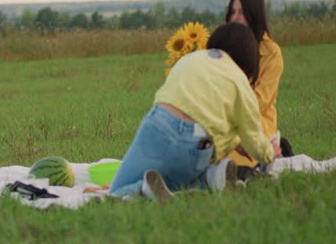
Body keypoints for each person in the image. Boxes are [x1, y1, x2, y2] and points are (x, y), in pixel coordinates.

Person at [108, 23, 274, 200]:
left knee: (118, 190)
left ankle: (143, 189)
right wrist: (269, 153)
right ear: (249, 59)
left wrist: (235, 142)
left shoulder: (191, 58)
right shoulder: (240, 82)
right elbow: (252, 138)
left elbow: (190, 109)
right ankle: (213, 178)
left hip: (159, 125)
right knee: (179, 180)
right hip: (198, 144)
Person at [225, 0, 288, 175]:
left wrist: (225, 106)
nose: (235, 18)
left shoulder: (271, 52)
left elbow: (261, 99)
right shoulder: (225, 48)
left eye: (242, 13)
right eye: (232, 12)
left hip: (256, 121)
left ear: (255, 16)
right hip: (226, 118)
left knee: (236, 159)